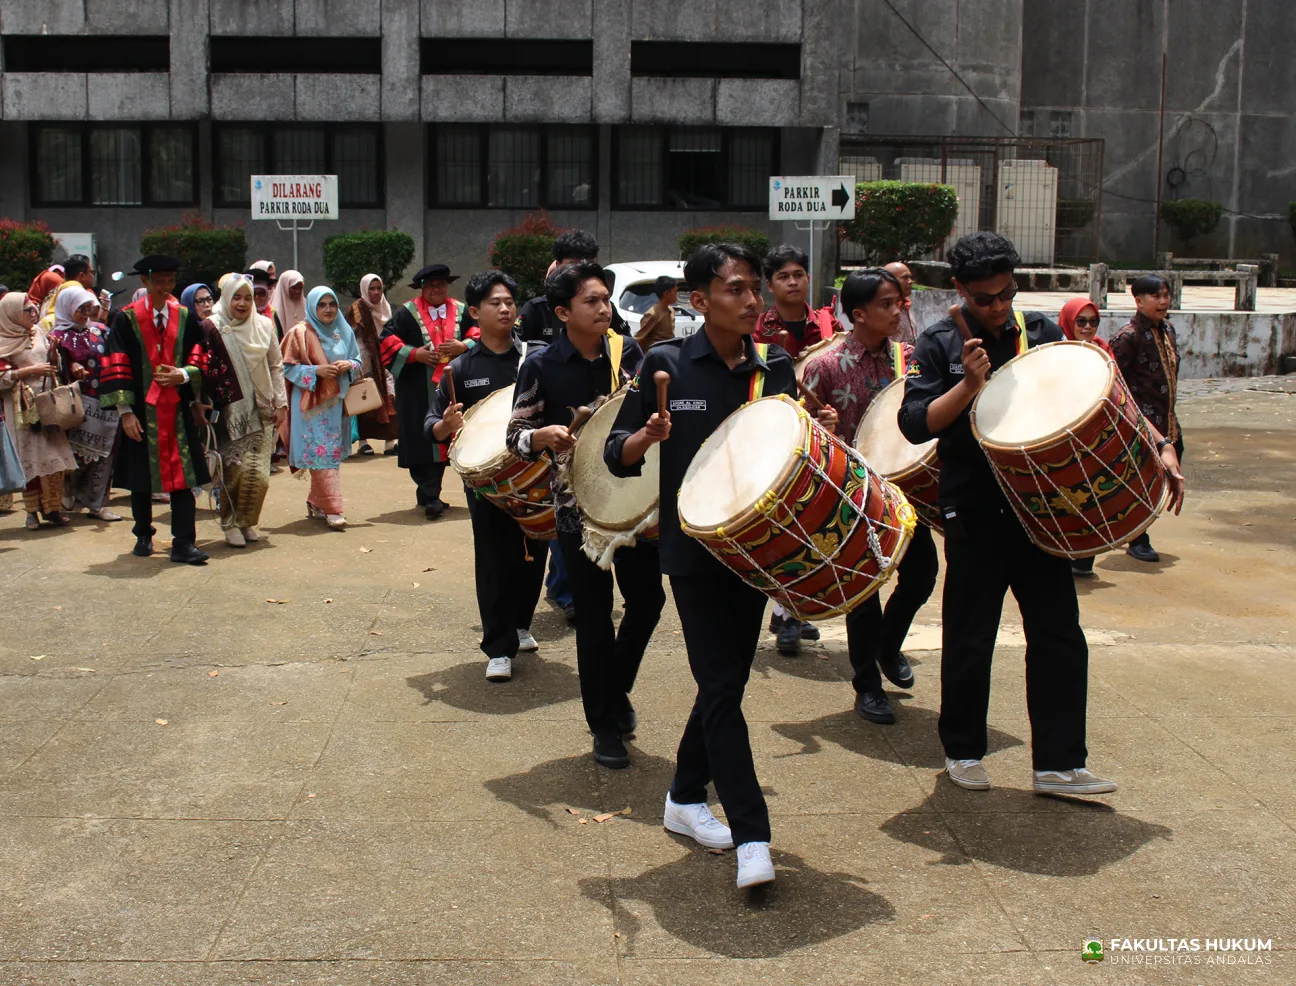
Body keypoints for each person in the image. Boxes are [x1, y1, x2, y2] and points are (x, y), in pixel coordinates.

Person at [606, 242, 836, 890]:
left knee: (725, 684)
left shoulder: (774, 370)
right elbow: (613, 459)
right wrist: (644, 438)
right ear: (701, 301)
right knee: (722, 685)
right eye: (736, 289)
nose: (751, 300)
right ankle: (752, 835)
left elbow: (789, 460)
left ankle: (683, 797)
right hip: (693, 553)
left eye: (753, 289)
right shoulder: (665, 365)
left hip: (757, 552)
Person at [899, 231, 1134, 796]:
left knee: (1058, 633)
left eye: (1007, 293)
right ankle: (963, 751)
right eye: (985, 298)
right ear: (959, 290)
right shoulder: (937, 344)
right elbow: (914, 424)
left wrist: (1156, 445)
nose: (999, 306)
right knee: (970, 634)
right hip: (974, 506)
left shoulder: (1043, 334)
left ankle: (1058, 764)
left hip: (1041, 506)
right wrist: (970, 384)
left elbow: (1086, 398)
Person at [507, 261, 665, 769]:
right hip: (577, 511)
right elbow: (514, 435)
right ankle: (604, 726)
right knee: (594, 619)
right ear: (562, 312)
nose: (604, 308)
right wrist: (542, 436)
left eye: (606, 299)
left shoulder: (629, 352)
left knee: (648, 602)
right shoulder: (540, 365)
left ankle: (613, 691)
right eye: (591, 301)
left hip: (636, 502)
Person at [802, 267, 939, 724]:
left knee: (922, 575)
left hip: (903, 490)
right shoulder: (823, 366)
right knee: (863, 591)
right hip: (853, 494)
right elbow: (800, 436)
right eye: (886, 303)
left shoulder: (910, 359)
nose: (898, 309)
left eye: (898, 301)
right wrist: (820, 430)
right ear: (858, 314)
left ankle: (887, 645)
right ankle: (867, 686)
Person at [426, 271, 546, 680]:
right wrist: (445, 425)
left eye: (510, 301)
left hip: (536, 474)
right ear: (475, 312)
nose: (506, 308)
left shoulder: (534, 357)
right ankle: (498, 646)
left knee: (534, 552)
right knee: (495, 558)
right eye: (496, 302)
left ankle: (520, 623)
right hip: (486, 483)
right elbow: (433, 425)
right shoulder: (460, 368)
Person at [100, 255, 211, 564]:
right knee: (141, 476)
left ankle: (184, 543)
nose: (166, 287)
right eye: (159, 281)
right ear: (145, 281)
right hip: (141, 411)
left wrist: (184, 374)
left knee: (183, 477)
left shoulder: (186, 317)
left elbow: (200, 355)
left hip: (176, 411)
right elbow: (116, 363)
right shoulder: (126, 318)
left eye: (170, 281)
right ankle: (143, 533)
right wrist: (125, 412)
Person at [380, 264, 473, 519]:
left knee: (450, 437)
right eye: (431, 285)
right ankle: (430, 494)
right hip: (418, 390)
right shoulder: (406, 313)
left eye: (441, 284)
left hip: (455, 387)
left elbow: (478, 333)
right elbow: (386, 341)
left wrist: (462, 346)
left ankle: (430, 493)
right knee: (423, 439)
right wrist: (415, 353)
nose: (436, 289)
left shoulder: (462, 310)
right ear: (422, 288)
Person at [210, 275, 288, 546]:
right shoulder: (215, 327)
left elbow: (276, 366)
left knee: (259, 475)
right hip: (232, 411)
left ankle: (247, 521)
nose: (242, 303)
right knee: (235, 472)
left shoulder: (265, 325)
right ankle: (229, 522)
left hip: (264, 407)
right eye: (236, 297)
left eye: (248, 297)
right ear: (226, 298)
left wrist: (281, 403)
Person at [1110, 275, 1182, 564]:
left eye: (1166, 295)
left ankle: (1135, 530)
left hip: (1168, 419)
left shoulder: (1168, 330)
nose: (1163, 301)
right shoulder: (1128, 336)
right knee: (1140, 479)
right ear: (1138, 300)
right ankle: (1137, 537)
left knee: (1166, 475)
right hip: (1140, 424)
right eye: (1156, 296)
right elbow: (1114, 382)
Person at [279, 286, 362, 529]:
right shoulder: (298, 333)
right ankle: (333, 508)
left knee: (327, 456)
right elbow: (285, 367)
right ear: (312, 307)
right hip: (310, 405)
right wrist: (317, 371)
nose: (328, 309)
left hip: (336, 404)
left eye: (332, 304)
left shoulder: (342, 330)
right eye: (322, 305)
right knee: (323, 455)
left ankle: (316, 501)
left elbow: (358, 360)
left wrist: (348, 364)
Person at [47, 284, 123, 521]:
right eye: (80, 308)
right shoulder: (58, 335)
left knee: (105, 452)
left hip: (104, 402)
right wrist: (69, 365)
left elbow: (113, 355)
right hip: (75, 403)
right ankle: (70, 489)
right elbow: (52, 368)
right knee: (75, 454)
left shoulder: (101, 330)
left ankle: (97, 502)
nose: (84, 312)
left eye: (88, 307)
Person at [0, 292, 76, 529]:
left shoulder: (39, 332)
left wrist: (53, 353)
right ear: (12, 313)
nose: (34, 314)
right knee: (30, 458)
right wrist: (26, 373)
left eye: (34, 309)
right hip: (20, 407)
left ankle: (52, 509)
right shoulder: (3, 340)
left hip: (46, 403)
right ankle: (32, 512)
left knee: (52, 455)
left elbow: (52, 366)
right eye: (28, 311)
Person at [515, 230, 630, 342]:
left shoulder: (605, 308)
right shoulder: (536, 310)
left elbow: (626, 345)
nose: (581, 271)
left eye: (588, 264)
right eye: (573, 265)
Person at [753, 244, 839, 359]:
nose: (793, 282)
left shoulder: (830, 325)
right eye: (783, 277)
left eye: (798, 275)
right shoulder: (756, 330)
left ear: (808, 279)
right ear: (770, 286)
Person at [346, 274, 400, 456]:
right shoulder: (357, 308)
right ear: (364, 290)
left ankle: (390, 441)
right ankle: (363, 442)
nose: (376, 292)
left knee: (389, 397)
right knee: (365, 397)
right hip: (366, 360)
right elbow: (349, 334)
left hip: (385, 358)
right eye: (372, 288)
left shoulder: (386, 308)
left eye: (379, 288)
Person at [633, 275, 680, 349]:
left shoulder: (671, 311)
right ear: (666, 293)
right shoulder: (653, 314)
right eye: (675, 291)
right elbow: (640, 338)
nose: (677, 295)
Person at [884, 261, 920, 345]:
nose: (910, 281)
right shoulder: (882, 310)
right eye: (905, 277)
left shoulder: (905, 306)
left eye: (910, 277)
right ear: (889, 280)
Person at [269, 270, 306, 341]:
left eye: (300, 288)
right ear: (285, 287)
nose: (297, 291)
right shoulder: (274, 312)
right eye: (294, 288)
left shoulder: (306, 307)